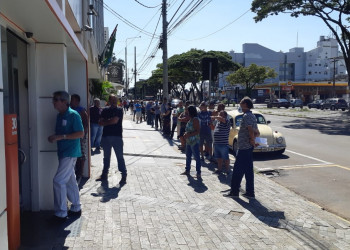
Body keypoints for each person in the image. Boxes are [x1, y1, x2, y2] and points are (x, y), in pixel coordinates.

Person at [48, 91, 83, 222]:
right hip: (64, 152)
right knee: (69, 180)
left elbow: (80, 133)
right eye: (54, 99)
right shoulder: (59, 116)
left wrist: (60, 137)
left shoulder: (73, 115)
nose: (53, 102)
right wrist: (55, 137)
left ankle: (61, 213)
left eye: (56, 99)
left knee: (59, 180)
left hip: (70, 152)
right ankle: (76, 207)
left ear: (64, 101)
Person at [225, 97, 259, 199]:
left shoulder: (247, 116)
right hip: (247, 147)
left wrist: (252, 140)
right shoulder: (252, 115)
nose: (239, 103)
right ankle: (250, 192)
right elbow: (257, 132)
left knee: (237, 170)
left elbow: (250, 130)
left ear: (245, 104)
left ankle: (234, 192)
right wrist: (253, 140)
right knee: (248, 171)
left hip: (244, 147)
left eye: (241, 102)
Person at [96, 94, 127, 185]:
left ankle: (124, 175)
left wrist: (106, 122)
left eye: (115, 100)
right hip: (105, 137)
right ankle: (104, 174)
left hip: (117, 137)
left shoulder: (119, 110)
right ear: (109, 101)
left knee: (120, 157)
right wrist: (109, 121)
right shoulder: (105, 110)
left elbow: (114, 121)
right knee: (106, 157)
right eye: (112, 100)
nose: (113, 102)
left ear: (117, 101)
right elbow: (100, 123)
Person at [70, 94, 88, 181]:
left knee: (81, 155)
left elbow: (86, 124)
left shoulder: (81, 110)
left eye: (72, 100)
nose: (70, 102)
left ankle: (80, 173)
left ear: (77, 101)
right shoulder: (69, 110)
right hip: (71, 137)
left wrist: (83, 135)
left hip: (80, 137)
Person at [181, 105, 201, 179]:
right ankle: (187, 170)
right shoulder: (190, 119)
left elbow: (197, 131)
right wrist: (186, 134)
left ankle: (198, 172)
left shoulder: (195, 119)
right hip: (189, 141)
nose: (186, 111)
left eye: (187, 110)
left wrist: (188, 134)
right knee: (188, 156)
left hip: (194, 141)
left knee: (196, 157)